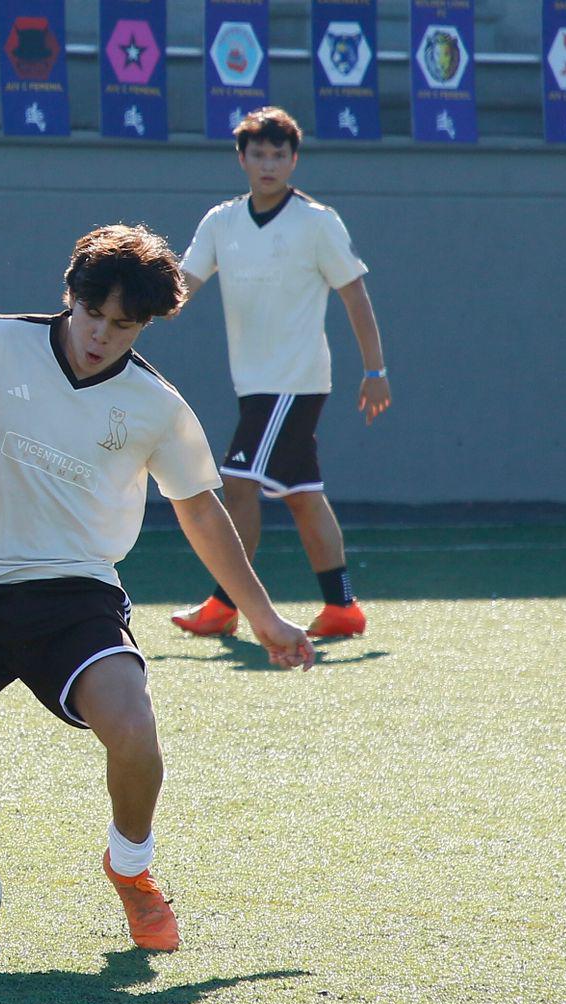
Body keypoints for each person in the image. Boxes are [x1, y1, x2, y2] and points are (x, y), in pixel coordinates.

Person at [0, 224, 314, 957]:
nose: (101, 335)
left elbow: (201, 509)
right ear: (68, 294)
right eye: (91, 313)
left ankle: (131, 870)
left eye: (123, 325)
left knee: (134, 728)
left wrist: (262, 615)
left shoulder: (156, 405)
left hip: (77, 597)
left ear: (147, 324)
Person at [169, 106, 390, 642]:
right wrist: (129, 309)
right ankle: (342, 607)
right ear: (241, 158)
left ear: (294, 160)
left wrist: (375, 369)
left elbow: (354, 294)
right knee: (302, 494)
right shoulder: (221, 221)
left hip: (294, 382)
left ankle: (225, 603)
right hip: (254, 385)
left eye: (278, 154)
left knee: (238, 483)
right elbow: (181, 286)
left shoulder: (317, 222)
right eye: (258, 154)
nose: (268, 164)